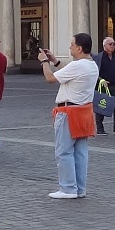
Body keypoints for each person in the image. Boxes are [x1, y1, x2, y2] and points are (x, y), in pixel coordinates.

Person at [39, 33, 96, 200]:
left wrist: (44, 62)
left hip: (68, 111)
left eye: (72, 44)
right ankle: (79, 187)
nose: (70, 47)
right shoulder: (90, 65)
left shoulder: (77, 66)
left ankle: (68, 188)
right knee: (80, 152)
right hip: (83, 111)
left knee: (64, 151)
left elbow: (50, 78)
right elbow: (67, 72)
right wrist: (55, 61)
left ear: (79, 48)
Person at [95, 36, 115, 136]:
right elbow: (94, 72)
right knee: (101, 106)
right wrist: (101, 80)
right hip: (102, 87)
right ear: (104, 46)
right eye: (110, 44)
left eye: (113, 44)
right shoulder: (99, 57)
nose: (112, 46)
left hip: (114, 85)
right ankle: (99, 127)